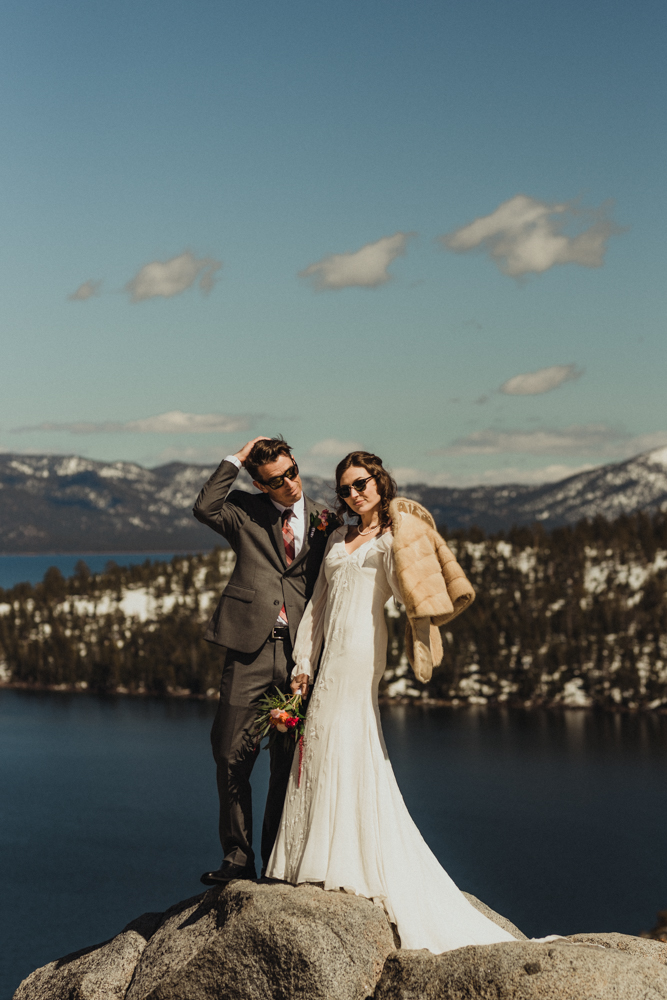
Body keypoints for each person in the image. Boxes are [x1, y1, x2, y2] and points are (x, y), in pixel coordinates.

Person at [265, 450, 517, 952]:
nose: (353, 494)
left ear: (379, 483)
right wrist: (302, 667)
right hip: (329, 647)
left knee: (341, 736)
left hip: (361, 650)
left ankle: (339, 861)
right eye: (344, 489)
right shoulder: (337, 538)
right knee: (317, 740)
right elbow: (316, 605)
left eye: (361, 484)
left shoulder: (394, 537)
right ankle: (310, 858)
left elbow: (416, 589)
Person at [192, 436, 336, 885]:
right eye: (277, 480)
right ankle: (237, 858)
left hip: (299, 656)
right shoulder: (244, 511)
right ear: (259, 483)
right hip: (249, 651)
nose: (291, 484)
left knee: (286, 764)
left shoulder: (326, 520)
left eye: (293, 472)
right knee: (231, 755)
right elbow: (204, 508)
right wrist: (235, 457)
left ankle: (275, 862)